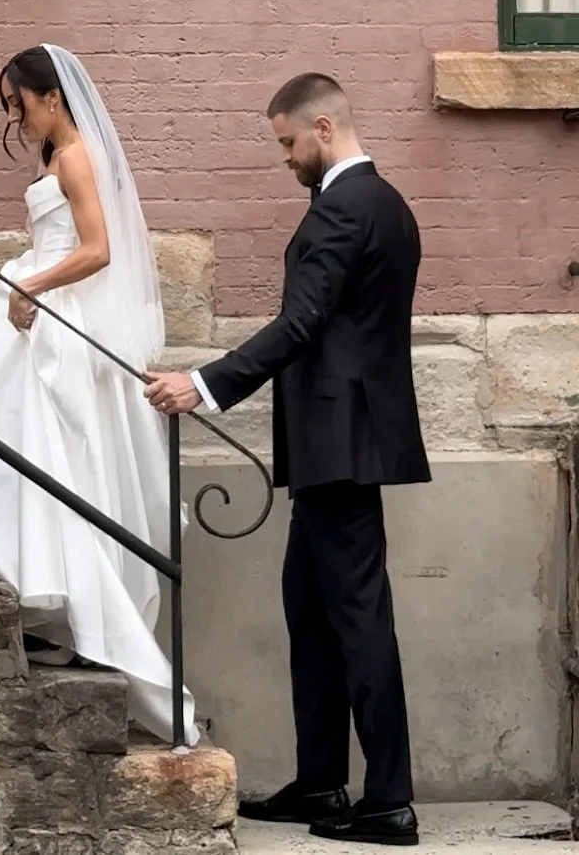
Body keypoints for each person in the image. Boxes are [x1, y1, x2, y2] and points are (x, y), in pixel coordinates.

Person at [144, 73, 427, 847]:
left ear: (324, 127)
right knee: (311, 613)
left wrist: (201, 384)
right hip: (338, 446)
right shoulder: (389, 206)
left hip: (340, 446)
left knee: (359, 621)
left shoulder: (344, 208)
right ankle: (324, 785)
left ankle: (390, 802)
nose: (285, 159)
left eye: (288, 143)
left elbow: (300, 324)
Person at [0, 44, 196, 745]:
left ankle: (35, 565)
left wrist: (28, 285)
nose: (15, 115)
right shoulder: (58, 158)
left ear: (53, 98)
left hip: (53, 311)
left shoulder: (75, 158)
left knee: (26, 433)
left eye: (20, 102)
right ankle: (16, 556)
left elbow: (98, 250)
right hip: (37, 305)